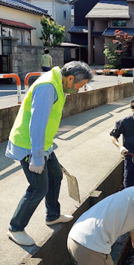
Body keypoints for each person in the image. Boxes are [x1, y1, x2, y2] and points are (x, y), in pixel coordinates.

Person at [6, 61, 93, 246]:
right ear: (70, 79)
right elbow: (36, 125)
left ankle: (52, 215)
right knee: (38, 187)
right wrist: (37, 156)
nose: (79, 89)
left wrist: (47, 148)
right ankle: (16, 228)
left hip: (43, 144)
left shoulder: (58, 84)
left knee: (55, 175)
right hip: (29, 145)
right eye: (79, 85)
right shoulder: (47, 88)